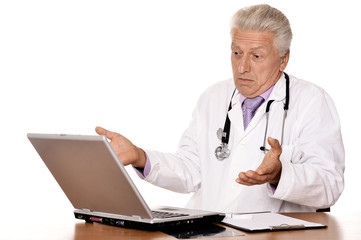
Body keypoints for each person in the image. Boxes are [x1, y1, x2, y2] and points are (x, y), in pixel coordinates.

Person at [96, 4, 345, 213]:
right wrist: (140, 157)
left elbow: (330, 186)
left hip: (271, 235)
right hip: (207, 229)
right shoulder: (213, 97)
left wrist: (280, 174)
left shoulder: (312, 101)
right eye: (236, 52)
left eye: (256, 56)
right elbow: (191, 170)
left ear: (283, 59)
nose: (242, 67)